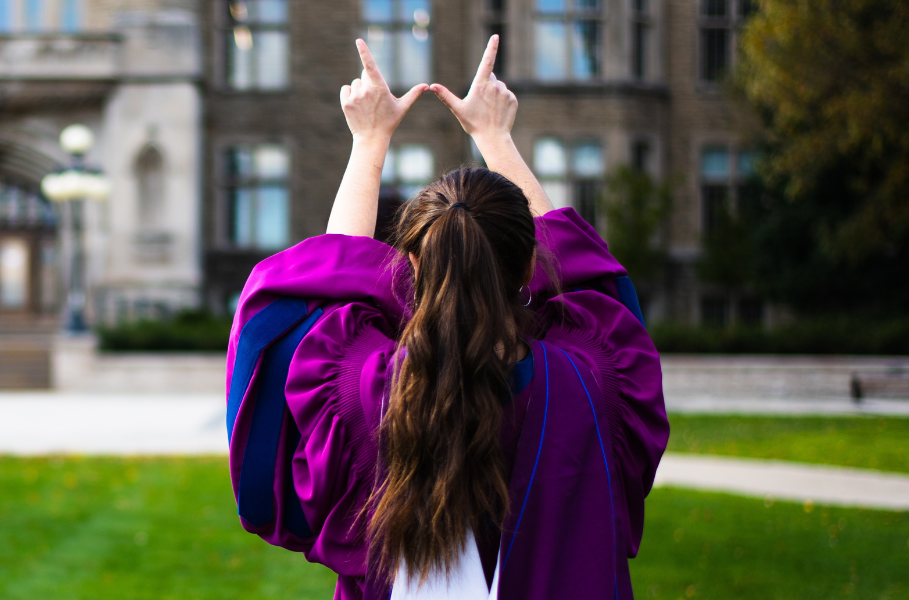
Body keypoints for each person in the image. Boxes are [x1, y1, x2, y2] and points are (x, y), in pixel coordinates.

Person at [223, 37, 668, 600]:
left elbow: (317, 296)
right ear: (531, 262)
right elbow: (597, 285)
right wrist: (496, 139)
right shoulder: (595, 381)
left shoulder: (362, 392)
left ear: (411, 266)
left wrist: (369, 142)